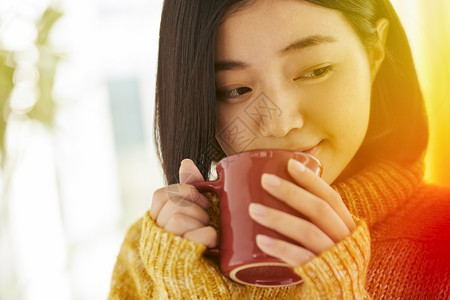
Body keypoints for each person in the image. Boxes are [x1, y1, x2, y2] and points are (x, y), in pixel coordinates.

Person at [108, 0, 450, 298]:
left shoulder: (441, 239)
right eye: (235, 90)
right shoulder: (153, 256)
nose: (279, 122)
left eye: (316, 70)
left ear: (375, 53)